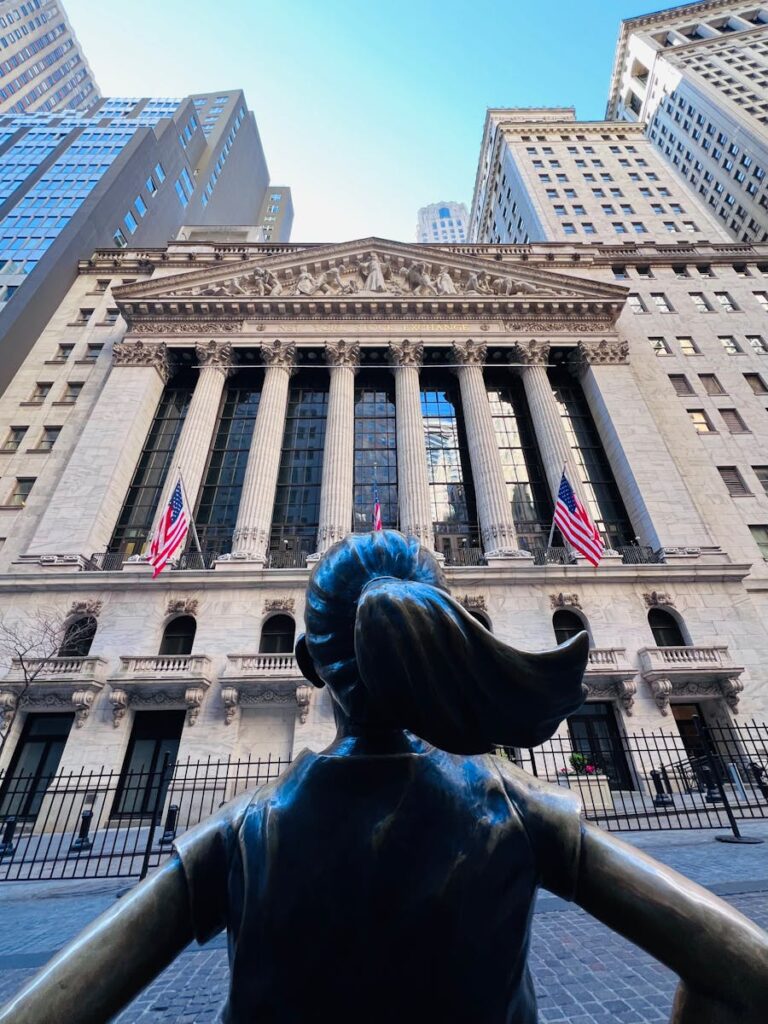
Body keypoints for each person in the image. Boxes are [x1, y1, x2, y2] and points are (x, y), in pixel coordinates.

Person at [1, 531, 767, 1024]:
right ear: (450, 647)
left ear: (309, 667)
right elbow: (744, 970)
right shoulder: (519, 809)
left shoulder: (235, 835)